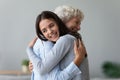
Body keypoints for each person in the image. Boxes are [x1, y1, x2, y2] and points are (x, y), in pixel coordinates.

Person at [27, 11, 86, 80]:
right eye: (44, 31)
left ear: (58, 22)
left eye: (51, 25)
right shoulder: (69, 39)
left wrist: (29, 49)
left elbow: (41, 70)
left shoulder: (65, 39)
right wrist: (35, 64)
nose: (49, 31)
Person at [54, 5, 90, 80]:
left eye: (79, 24)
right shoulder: (66, 39)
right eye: (76, 22)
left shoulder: (73, 38)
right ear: (63, 20)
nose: (79, 27)